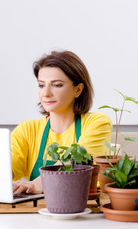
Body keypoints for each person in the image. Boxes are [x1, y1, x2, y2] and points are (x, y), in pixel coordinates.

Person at [11, 50, 112, 195]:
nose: (46, 93)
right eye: (41, 85)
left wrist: (38, 184)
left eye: (57, 85)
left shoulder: (97, 123)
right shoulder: (27, 130)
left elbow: (79, 161)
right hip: (36, 210)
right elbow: (3, 171)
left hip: (83, 208)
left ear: (78, 90)